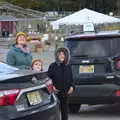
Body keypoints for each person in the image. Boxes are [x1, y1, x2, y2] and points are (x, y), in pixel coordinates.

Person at [48, 47, 74, 120]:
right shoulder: (52, 66)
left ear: (66, 56)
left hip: (65, 93)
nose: (62, 56)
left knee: (65, 112)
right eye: (60, 54)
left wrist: (72, 87)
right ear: (57, 55)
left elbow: (72, 79)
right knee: (55, 112)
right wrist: (52, 87)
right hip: (55, 93)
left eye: (63, 54)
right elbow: (48, 79)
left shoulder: (68, 66)